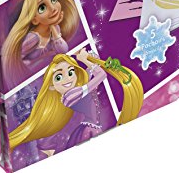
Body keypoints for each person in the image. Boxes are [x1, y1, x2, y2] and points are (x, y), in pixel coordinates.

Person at [8, 50, 143, 155]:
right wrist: (85, 60)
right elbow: (101, 75)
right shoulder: (70, 96)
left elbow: (90, 76)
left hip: (93, 128)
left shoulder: (76, 89)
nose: (67, 79)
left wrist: (91, 59)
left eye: (71, 72)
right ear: (52, 86)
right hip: (88, 131)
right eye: (59, 77)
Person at [1, 0, 80, 88]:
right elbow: (16, 61)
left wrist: (54, 29)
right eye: (42, 8)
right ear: (34, 19)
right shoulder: (33, 38)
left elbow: (63, 50)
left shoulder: (55, 29)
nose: (53, 8)